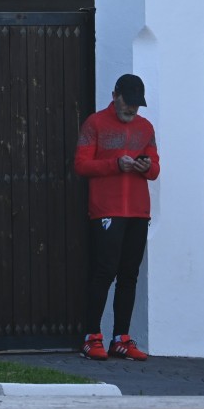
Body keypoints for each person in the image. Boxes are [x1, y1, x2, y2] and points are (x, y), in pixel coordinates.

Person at [73, 73, 160, 361]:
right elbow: (81, 165)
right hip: (106, 210)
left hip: (138, 211)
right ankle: (91, 336)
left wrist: (145, 167)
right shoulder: (94, 123)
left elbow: (155, 169)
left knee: (129, 275)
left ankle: (121, 338)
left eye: (137, 103)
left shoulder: (146, 128)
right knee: (104, 272)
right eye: (128, 101)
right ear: (114, 96)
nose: (132, 108)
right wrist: (115, 164)